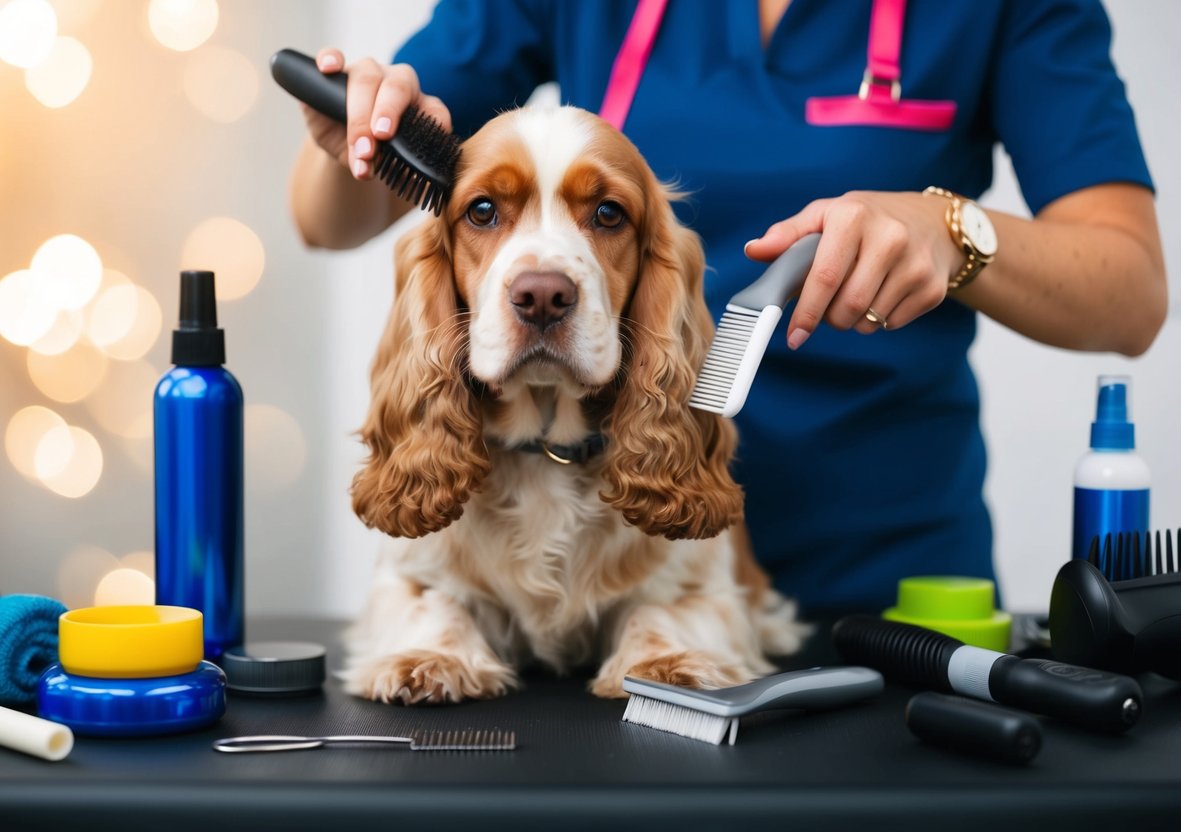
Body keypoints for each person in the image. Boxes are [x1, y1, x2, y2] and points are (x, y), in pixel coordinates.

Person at [289, 0, 1167, 615]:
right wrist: (355, 132)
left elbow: (1129, 293)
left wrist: (951, 228)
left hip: (890, 587)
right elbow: (327, 216)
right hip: (613, 578)